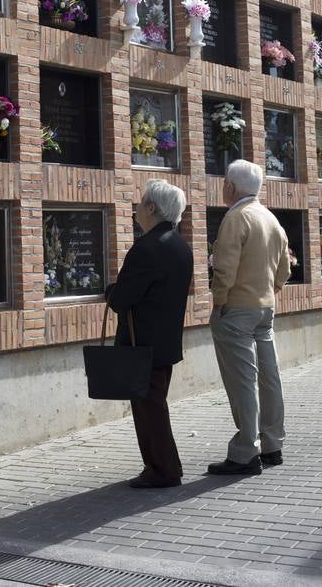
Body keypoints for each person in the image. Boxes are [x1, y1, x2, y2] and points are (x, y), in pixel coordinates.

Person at [107, 179, 193, 488]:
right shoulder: (180, 245)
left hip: (142, 345)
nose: (136, 209)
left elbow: (121, 299)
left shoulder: (146, 248)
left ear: (152, 207)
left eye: (141, 202)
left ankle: (164, 470)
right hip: (165, 342)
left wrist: (110, 291)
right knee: (152, 405)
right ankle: (159, 467)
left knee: (149, 409)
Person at [207, 159, 290, 476]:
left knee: (243, 382)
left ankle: (245, 453)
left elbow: (224, 267)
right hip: (265, 309)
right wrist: (273, 289)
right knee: (270, 378)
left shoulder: (236, 217)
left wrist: (220, 300)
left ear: (230, 186)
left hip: (236, 309)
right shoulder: (270, 218)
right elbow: (284, 267)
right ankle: (273, 445)